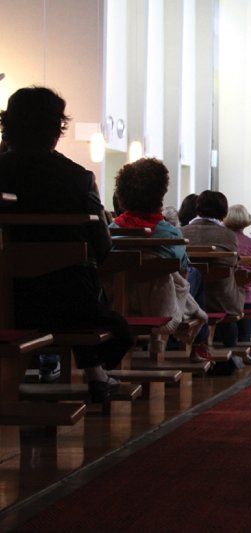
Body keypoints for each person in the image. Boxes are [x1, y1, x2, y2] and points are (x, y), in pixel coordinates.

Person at [0, 86, 134, 402]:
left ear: (8, 124)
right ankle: (96, 375)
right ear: (56, 129)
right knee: (84, 286)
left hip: (5, 299)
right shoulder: (77, 178)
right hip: (66, 304)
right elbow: (103, 248)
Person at [111, 158, 209, 361]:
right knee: (191, 277)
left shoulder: (111, 231)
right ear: (160, 194)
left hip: (116, 304)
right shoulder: (170, 234)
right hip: (160, 307)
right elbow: (182, 271)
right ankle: (198, 343)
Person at [182, 191, 245, 347]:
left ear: (198, 207)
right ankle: (231, 348)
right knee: (236, 289)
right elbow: (232, 264)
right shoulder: (228, 235)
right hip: (220, 301)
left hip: (188, 299)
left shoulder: (182, 232)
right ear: (224, 211)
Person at [224, 204, 251, 343]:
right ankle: (245, 347)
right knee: (245, 336)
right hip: (248, 296)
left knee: (226, 338)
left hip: (225, 297)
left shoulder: (223, 242)